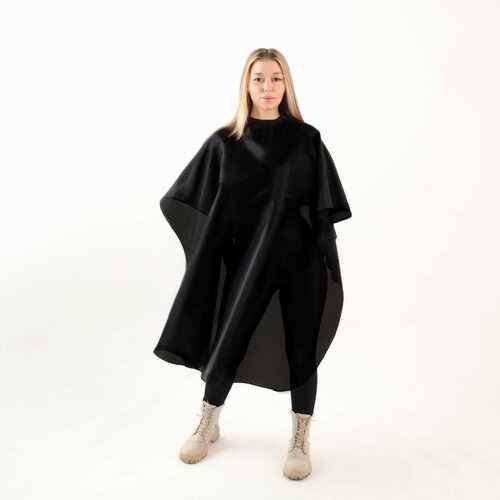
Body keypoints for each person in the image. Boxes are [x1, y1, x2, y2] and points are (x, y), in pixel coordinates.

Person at [153, 47, 352, 480]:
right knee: (229, 338)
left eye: (276, 78)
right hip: (247, 262)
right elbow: (188, 200)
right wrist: (212, 252)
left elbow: (323, 210)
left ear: (286, 84)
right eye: (259, 78)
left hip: (299, 262)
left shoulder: (306, 140)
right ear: (246, 84)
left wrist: (321, 261)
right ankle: (209, 422)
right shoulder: (225, 143)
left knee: (301, 347)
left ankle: (300, 437)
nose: (267, 87)